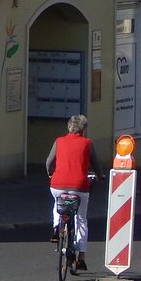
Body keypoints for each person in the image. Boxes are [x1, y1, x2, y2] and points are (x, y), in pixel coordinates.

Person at [45, 114, 101, 271]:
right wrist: (100, 176)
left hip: (57, 185)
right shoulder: (87, 143)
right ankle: (81, 256)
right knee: (81, 219)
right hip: (80, 187)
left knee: (57, 204)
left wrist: (50, 173)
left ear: (68, 127)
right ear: (83, 130)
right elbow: (96, 166)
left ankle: (57, 227)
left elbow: (49, 162)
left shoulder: (59, 141)